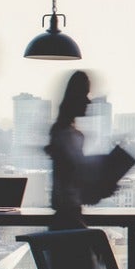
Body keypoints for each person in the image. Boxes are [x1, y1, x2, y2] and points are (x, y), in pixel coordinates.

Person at [47, 71, 92, 230]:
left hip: (66, 218)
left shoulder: (62, 133)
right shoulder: (68, 135)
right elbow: (71, 181)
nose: (88, 101)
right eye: (84, 94)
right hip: (69, 218)